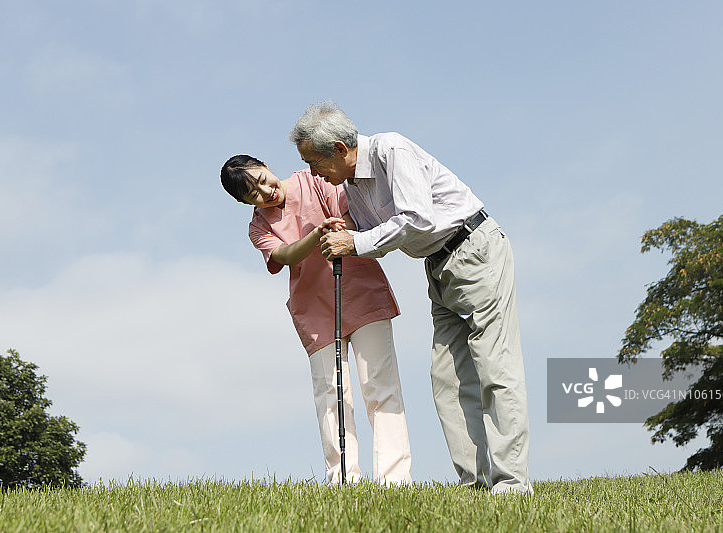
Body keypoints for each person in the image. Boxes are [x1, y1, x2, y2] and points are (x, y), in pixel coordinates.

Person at [289, 102, 532, 494]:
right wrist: (347, 226)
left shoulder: (391, 151)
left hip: (474, 250)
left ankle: (512, 485)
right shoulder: (351, 187)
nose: (313, 172)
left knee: (495, 370)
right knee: (447, 380)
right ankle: (477, 484)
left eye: (313, 162)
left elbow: (417, 218)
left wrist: (355, 240)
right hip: (437, 267)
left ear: (338, 148)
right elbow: (376, 234)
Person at [220, 155, 412, 485]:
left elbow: (352, 217)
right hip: (315, 312)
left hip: (362, 292)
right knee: (332, 396)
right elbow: (284, 254)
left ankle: (394, 481)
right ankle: (343, 480)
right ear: (242, 202)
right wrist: (317, 234)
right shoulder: (258, 227)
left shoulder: (314, 180)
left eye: (263, 179)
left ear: (265, 165)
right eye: (254, 194)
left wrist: (341, 225)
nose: (266, 192)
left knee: (380, 388)